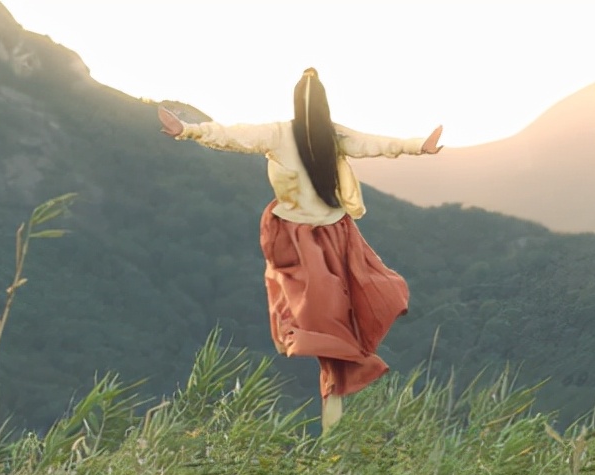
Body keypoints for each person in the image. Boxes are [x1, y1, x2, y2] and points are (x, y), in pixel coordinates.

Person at [159, 67, 442, 430]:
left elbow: (374, 143)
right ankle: (323, 373)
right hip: (300, 240)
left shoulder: (328, 135)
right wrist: (188, 131)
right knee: (320, 320)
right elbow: (231, 136)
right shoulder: (285, 134)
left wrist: (419, 146)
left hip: (332, 236)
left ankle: (334, 399)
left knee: (341, 317)